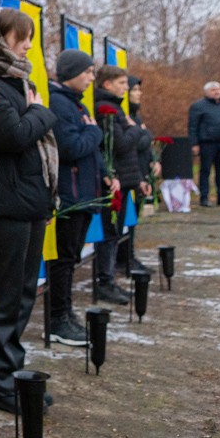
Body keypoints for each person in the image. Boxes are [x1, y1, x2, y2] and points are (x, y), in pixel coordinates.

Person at [0, 9, 59, 408]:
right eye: (18, 37)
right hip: (3, 208)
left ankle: (13, 375)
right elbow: (14, 134)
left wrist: (33, 109)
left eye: (29, 37)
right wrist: (39, 111)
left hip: (30, 205)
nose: (27, 45)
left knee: (22, 296)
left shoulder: (20, 84)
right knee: (1, 302)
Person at [47, 50, 116, 346]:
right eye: (87, 72)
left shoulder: (75, 103)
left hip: (85, 193)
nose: (91, 78)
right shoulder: (59, 103)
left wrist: (104, 173)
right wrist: (94, 131)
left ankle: (65, 313)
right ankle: (58, 319)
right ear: (72, 72)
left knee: (71, 257)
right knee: (63, 259)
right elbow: (71, 147)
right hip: (70, 196)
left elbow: (90, 152)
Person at [92, 65, 150, 304]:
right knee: (109, 233)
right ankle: (105, 282)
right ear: (107, 85)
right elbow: (122, 145)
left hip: (125, 180)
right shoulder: (105, 109)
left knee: (115, 233)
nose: (127, 89)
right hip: (113, 182)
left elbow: (135, 144)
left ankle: (109, 280)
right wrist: (135, 129)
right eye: (122, 84)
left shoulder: (118, 109)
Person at [117, 76, 155, 273]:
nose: (139, 93)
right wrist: (141, 134)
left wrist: (153, 161)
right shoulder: (123, 116)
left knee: (132, 220)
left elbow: (145, 143)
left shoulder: (136, 117)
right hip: (129, 174)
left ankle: (129, 256)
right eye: (135, 90)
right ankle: (123, 259)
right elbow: (136, 143)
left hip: (140, 171)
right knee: (123, 221)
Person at [188, 81, 220, 206]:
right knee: (205, 171)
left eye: (219, 89)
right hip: (207, 143)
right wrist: (194, 144)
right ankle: (204, 198)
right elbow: (192, 126)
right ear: (206, 92)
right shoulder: (198, 106)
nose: (217, 92)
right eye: (213, 90)